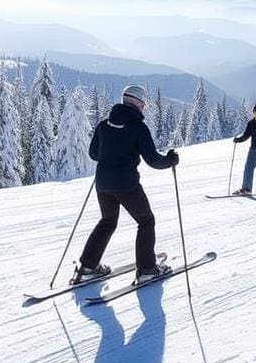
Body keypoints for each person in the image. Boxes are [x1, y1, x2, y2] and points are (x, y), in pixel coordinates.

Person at [72, 84, 179, 285]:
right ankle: (147, 269)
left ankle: (88, 267)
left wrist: (111, 153)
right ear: (138, 104)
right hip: (127, 185)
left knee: (107, 221)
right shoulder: (138, 127)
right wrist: (171, 160)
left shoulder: (104, 125)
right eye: (144, 105)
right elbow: (153, 160)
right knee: (146, 221)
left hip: (103, 184)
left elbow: (94, 154)